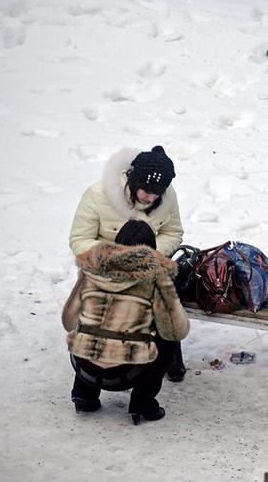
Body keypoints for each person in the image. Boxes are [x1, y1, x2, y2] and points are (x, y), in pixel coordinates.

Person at [69, 145, 188, 382]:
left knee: (166, 306)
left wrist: (147, 254)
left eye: (157, 193)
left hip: (147, 268)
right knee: (102, 314)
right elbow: (79, 239)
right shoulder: (98, 195)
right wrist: (116, 257)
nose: (151, 198)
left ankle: (169, 356)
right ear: (132, 181)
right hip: (103, 269)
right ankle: (86, 381)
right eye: (146, 191)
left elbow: (173, 232)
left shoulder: (166, 196)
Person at [62, 220, 190, 424]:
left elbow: (68, 321)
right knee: (168, 337)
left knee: (89, 327)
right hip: (129, 372)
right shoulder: (158, 278)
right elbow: (177, 330)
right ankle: (143, 404)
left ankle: (84, 396)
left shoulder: (90, 270)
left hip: (83, 367)